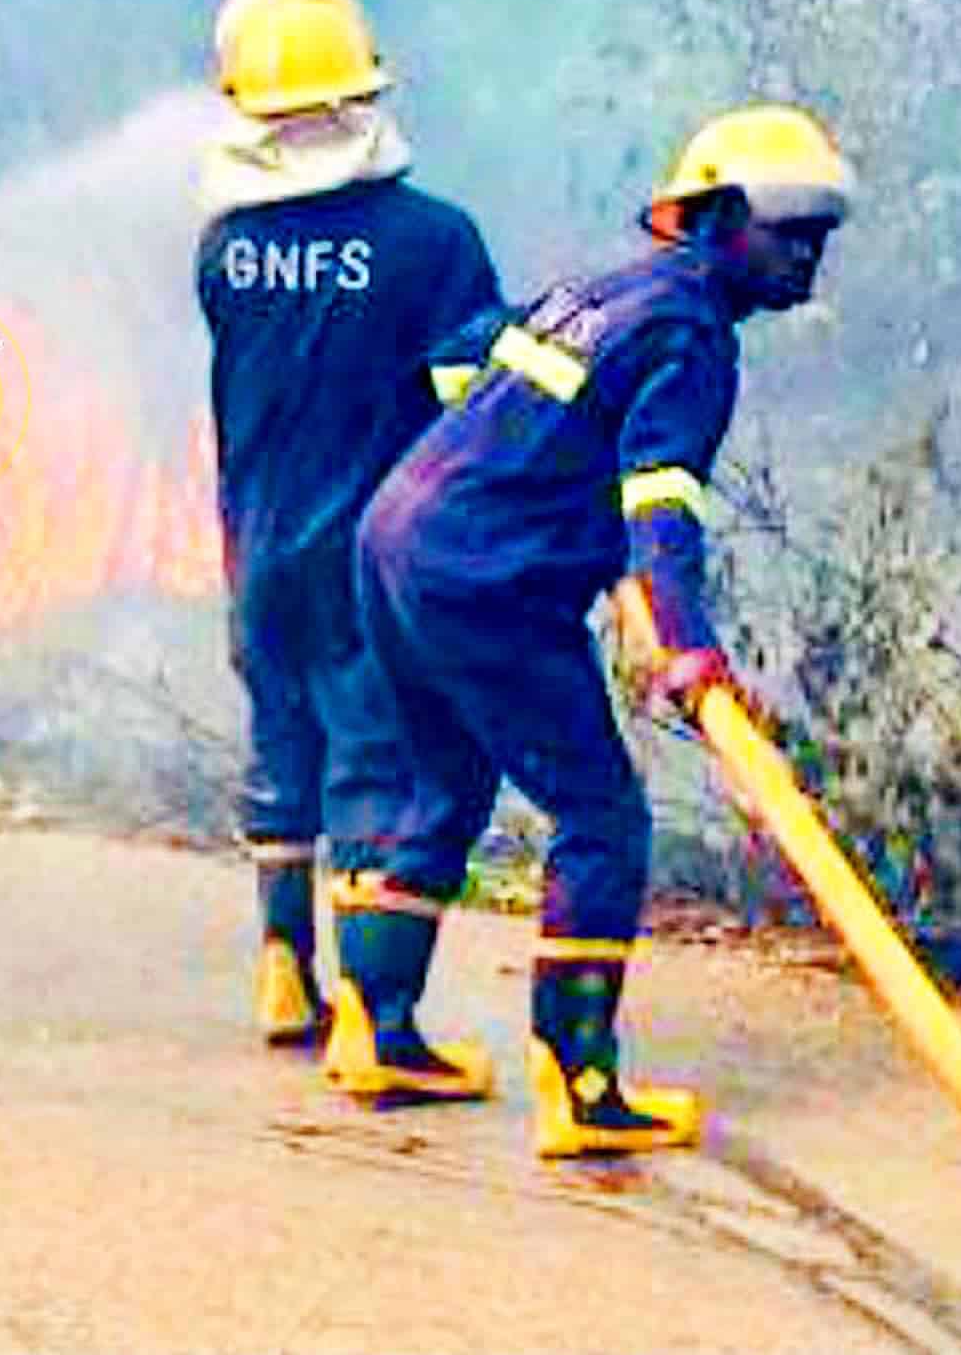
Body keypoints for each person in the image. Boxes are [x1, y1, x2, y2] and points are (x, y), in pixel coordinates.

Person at [321, 103, 853, 1153]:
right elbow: (659, 498)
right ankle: (579, 1085)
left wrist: (515, 470)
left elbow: (460, 356)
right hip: (485, 581)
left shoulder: (601, 291)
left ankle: (371, 1030)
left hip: (393, 540)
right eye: (784, 228)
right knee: (601, 816)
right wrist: (682, 637)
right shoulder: (690, 332)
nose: (803, 254)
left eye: (816, 235)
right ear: (709, 219)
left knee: (442, 786)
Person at [194, 0, 501, 1045]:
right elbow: (478, 412)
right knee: (383, 759)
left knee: (283, 745)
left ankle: (282, 968)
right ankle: (380, 1023)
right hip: (375, 552)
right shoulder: (437, 241)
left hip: (257, 544)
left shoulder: (224, 248)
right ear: (366, 92)